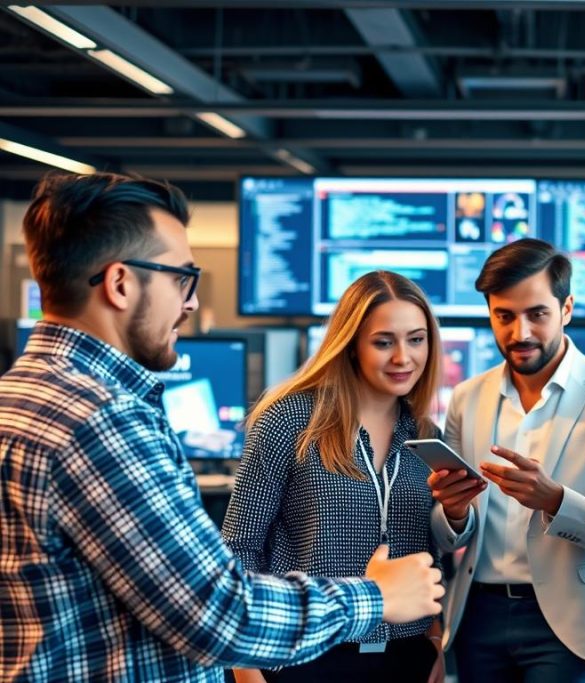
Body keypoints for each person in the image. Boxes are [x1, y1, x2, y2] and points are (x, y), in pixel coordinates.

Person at [0, 172, 443, 682]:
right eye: (181, 279)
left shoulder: (26, 396)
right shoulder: (102, 419)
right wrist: (378, 596)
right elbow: (215, 611)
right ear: (121, 283)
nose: (190, 302)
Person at [428, 238, 585, 682]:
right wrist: (453, 513)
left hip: (572, 623)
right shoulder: (466, 398)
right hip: (477, 614)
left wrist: (555, 501)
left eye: (537, 314)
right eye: (504, 316)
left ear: (566, 309)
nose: (520, 333)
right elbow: (445, 532)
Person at [222, 271, 447, 683]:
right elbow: (239, 546)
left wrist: (437, 642)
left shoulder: (427, 437)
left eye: (416, 339)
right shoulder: (290, 420)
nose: (403, 357)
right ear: (351, 345)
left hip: (406, 657)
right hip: (304, 655)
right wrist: (244, 667)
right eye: (384, 342)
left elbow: (433, 555)